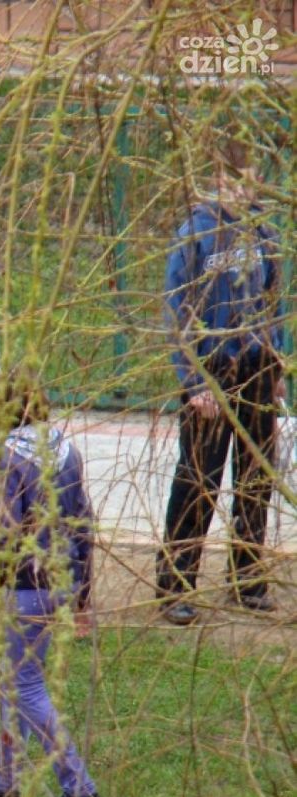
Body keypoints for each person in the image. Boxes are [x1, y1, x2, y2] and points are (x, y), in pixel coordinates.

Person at [156, 139, 285, 625]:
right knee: (198, 480)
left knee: (255, 478)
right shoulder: (196, 235)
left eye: (255, 181)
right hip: (211, 370)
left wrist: (274, 364)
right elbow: (177, 312)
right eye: (240, 181)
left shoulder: (264, 232)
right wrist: (194, 382)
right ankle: (175, 583)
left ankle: (247, 578)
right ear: (220, 179)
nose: (249, 190)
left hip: (255, 368)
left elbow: (272, 301)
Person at [0, 375, 102, 797]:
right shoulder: (66, 451)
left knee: (25, 686)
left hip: (26, 587)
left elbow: (8, 533)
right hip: (60, 580)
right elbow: (84, 523)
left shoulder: (8, 461)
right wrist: (82, 591)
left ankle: (80, 789)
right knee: (13, 680)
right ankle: (4, 781)